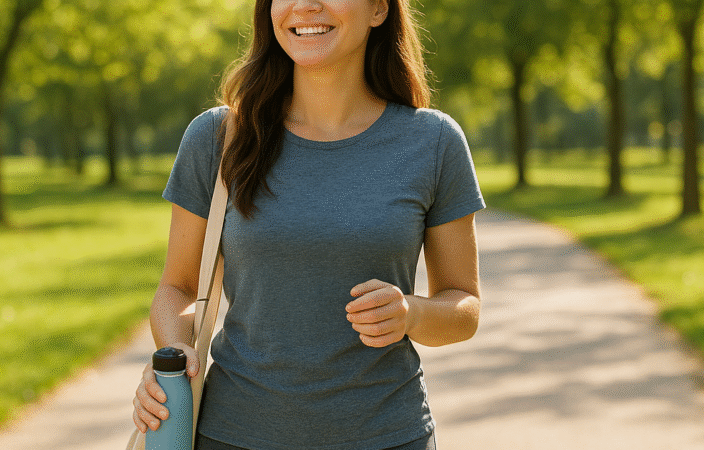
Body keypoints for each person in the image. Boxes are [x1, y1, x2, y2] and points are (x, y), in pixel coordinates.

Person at [133, 0, 484, 448]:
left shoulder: (433, 142)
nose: (306, 5)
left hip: (387, 436)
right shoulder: (219, 138)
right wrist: (176, 354)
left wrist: (411, 313)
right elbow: (177, 286)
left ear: (379, 9)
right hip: (233, 435)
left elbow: (464, 305)